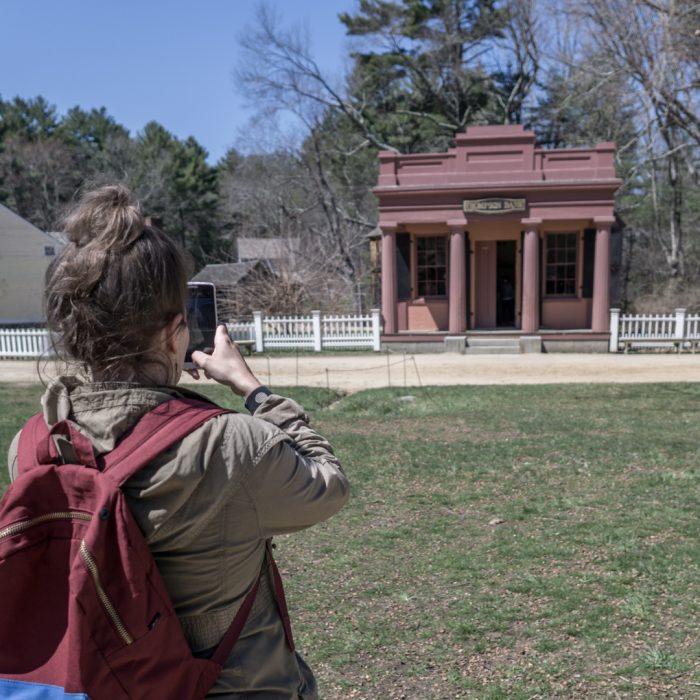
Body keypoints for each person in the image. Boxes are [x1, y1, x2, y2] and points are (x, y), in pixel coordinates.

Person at [6, 184, 349, 698]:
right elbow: (328, 484)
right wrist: (253, 389)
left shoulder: (32, 444)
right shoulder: (231, 445)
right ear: (173, 333)